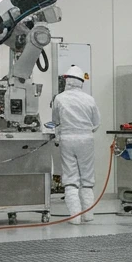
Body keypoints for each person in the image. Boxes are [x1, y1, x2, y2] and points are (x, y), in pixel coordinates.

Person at [51, 65, 101, 224]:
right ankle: (88, 215)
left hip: (67, 139)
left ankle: (75, 217)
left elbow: (55, 121)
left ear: (66, 81)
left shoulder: (59, 98)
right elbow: (96, 123)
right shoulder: (89, 99)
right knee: (87, 178)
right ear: (81, 82)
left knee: (70, 178)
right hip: (86, 139)